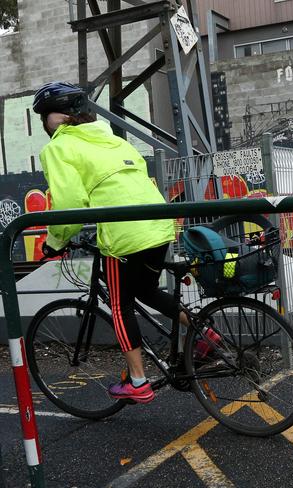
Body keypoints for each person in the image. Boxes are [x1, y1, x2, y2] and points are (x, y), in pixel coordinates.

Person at [33, 81, 185, 404]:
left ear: (54, 119)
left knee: (119, 304)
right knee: (146, 290)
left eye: (44, 117)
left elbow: (69, 204)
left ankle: (139, 381)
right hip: (158, 224)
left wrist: (54, 243)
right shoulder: (109, 137)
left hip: (124, 235)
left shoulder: (58, 148)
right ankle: (204, 333)